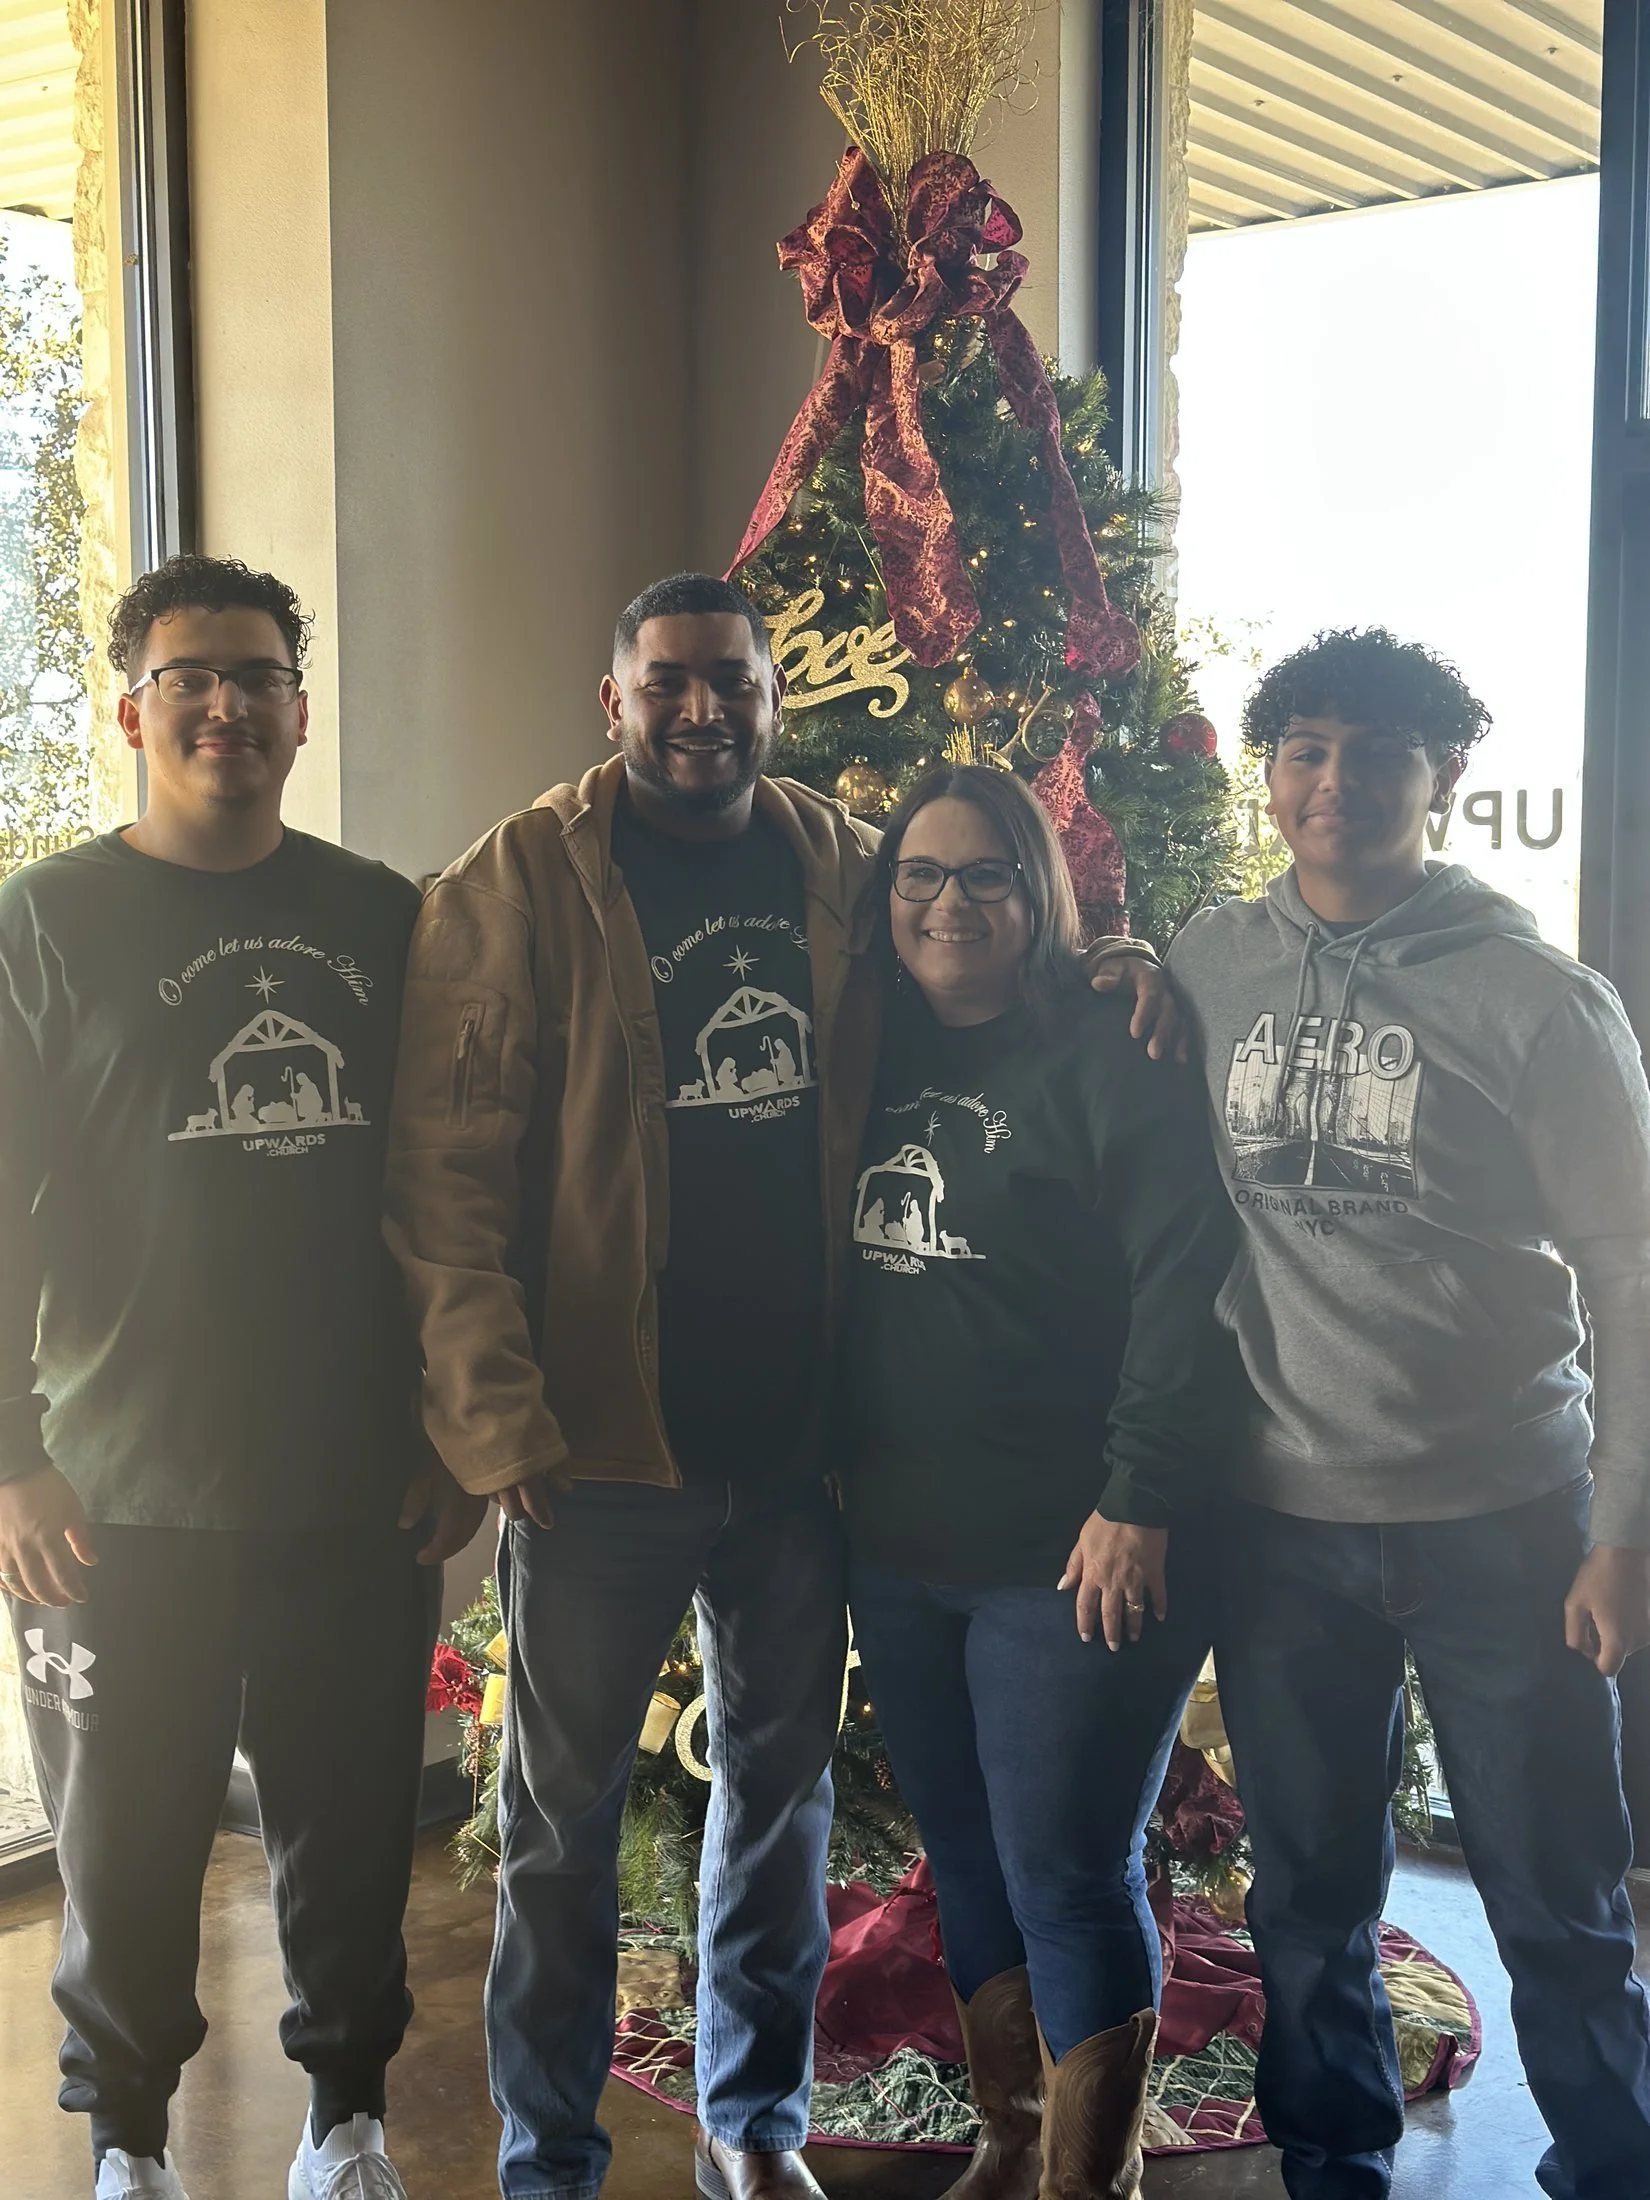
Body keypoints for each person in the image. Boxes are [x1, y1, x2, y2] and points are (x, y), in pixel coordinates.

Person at [381, 573, 1172, 2200]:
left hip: (811, 1452)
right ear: (613, 699)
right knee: (558, 1824)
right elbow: (443, 1173)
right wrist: (490, 1406)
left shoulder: (831, 857)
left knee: (775, 1803)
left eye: (729, 682)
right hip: (592, 1453)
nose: (699, 710)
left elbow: (971, 1000)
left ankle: (755, 2123)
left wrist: (1112, 964)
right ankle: (550, 2153)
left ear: (769, 697)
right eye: (665, 680)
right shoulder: (519, 880)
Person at [0, 554, 485, 2200]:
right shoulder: (43, 922)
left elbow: (450, 1187)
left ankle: (344, 2119)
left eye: (260, 675)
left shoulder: (381, 915)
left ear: (299, 708)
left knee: (351, 1828)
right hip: (111, 1496)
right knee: (123, 1850)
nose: (228, 705)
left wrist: (449, 1424)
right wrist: (11, 1455)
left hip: (354, 1481)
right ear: (133, 706)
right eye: (192, 676)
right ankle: (128, 2140)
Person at [1165, 628, 1650, 2200]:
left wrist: (1619, 1532)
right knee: (1304, 1893)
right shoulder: (1206, 961)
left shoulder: (1536, 1000)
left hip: (1503, 1521)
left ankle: (1607, 2160)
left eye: (1376, 750)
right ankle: (1329, 2165)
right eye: (1304, 746)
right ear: (1270, 771)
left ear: (1440, 775)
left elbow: (1629, 1274)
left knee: (1554, 1894)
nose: (1335, 781)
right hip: (1283, 1519)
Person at [837, 765, 1235, 2200]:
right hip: (896, 1544)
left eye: (986, 875)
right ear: (885, 900)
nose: (949, 905)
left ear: (1040, 893)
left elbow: (1186, 1293)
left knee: (1067, 1864)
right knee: (970, 1857)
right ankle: (1011, 2136)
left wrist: (1138, 1497)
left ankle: (1088, 2179)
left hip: (1073, 1550)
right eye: (919, 877)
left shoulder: (1111, 1056)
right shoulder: (861, 1044)